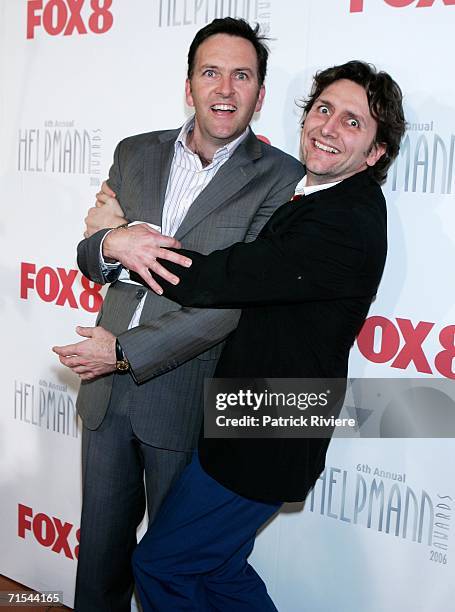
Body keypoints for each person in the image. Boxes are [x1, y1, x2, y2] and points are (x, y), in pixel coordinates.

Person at [120, 61, 406, 610]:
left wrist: (131, 247)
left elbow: (225, 277)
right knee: (220, 568)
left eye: (353, 122)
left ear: (376, 153)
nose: (328, 126)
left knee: (162, 564)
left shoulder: (343, 220)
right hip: (254, 416)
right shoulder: (319, 199)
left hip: (269, 426)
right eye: (324, 109)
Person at [52, 18, 303, 612]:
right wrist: (115, 245)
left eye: (241, 75)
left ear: (259, 95)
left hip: (185, 396)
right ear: (188, 86)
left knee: (172, 575)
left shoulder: (280, 179)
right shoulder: (135, 153)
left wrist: (122, 353)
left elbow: (236, 304)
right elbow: (88, 254)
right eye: (210, 72)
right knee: (100, 565)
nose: (224, 88)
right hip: (106, 398)